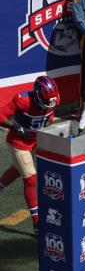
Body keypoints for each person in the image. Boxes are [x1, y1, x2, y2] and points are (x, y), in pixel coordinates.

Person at [0, 76, 59, 236]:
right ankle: (37, 222)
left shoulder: (53, 100)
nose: (49, 104)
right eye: (46, 101)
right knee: (30, 177)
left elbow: (49, 118)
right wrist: (15, 126)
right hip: (18, 142)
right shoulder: (23, 100)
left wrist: (47, 130)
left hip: (35, 140)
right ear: (38, 95)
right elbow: (0, 114)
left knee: (17, 169)